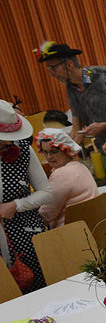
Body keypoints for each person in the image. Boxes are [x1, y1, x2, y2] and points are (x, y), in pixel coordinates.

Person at [35, 41, 106, 160]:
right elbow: (76, 129)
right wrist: (66, 154)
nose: (51, 73)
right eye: (49, 68)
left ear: (69, 65)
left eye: (53, 68)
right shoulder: (72, 89)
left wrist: (103, 126)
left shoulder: (104, 80)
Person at [0, 101, 51, 293]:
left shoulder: (23, 149)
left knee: (40, 287)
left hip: (26, 233)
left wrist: (16, 205)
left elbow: (46, 192)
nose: (8, 143)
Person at [34, 128, 99, 229]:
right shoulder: (80, 167)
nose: (49, 157)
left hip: (69, 233)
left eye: (53, 152)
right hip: (94, 227)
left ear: (66, 150)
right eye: (45, 152)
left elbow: (47, 214)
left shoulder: (60, 175)